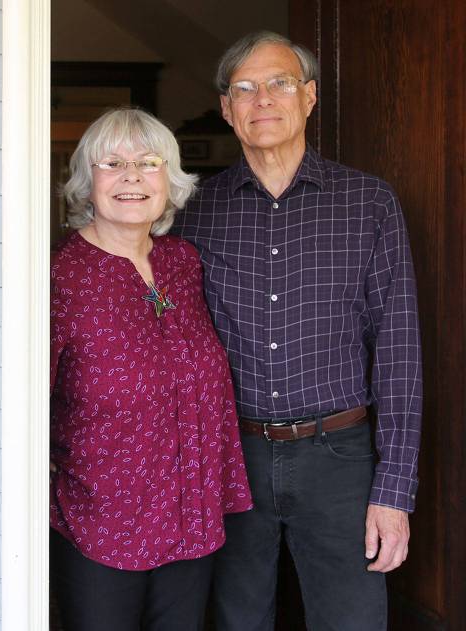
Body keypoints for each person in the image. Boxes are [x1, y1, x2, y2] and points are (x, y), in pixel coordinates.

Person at [172, 31, 422, 630]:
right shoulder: (192, 213)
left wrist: (394, 491)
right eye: (245, 88)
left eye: (280, 83)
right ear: (227, 108)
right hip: (229, 457)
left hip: (340, 457)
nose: (263, 99)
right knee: (236, 620)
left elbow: (399, 354)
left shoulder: (369, 203)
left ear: (309, 97)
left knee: (351, 621)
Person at [49, 107, 252, 631]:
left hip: (190, 513)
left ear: (170, 179)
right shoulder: (58, 277)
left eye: (148, 162)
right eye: (113, 163)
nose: (132, 177)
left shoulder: (182, 262)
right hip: (101, 520)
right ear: (87, 180)